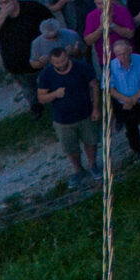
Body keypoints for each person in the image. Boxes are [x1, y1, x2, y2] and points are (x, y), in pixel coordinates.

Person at [36, 43, 102, 181]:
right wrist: (55, 94)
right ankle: (78, 170)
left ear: (68, 57)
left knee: (91, 141)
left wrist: (96, 108)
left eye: (63, 60)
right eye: (57, 62)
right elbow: (41, 98)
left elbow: (95, 86)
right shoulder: (46, 74)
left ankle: (92, 165)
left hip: (86, 114)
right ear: (51, 62)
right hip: (63, 120)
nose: (61, 64)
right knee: (71, 148)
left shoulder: (81, 67)